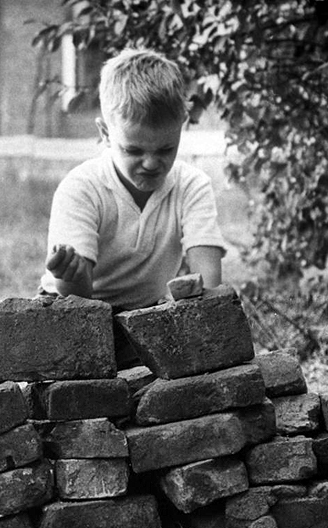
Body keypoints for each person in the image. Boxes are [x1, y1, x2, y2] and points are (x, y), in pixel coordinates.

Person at [39, 48, 227, 367]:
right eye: (134, 150)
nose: (152, 163)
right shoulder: (82, 187)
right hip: (70, 311)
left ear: (181, 126)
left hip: (142, 318)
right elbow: (79, 299)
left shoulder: (192, 186)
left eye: (166, 149)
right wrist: (69, 274)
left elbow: (208, 285)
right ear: (105, 134)